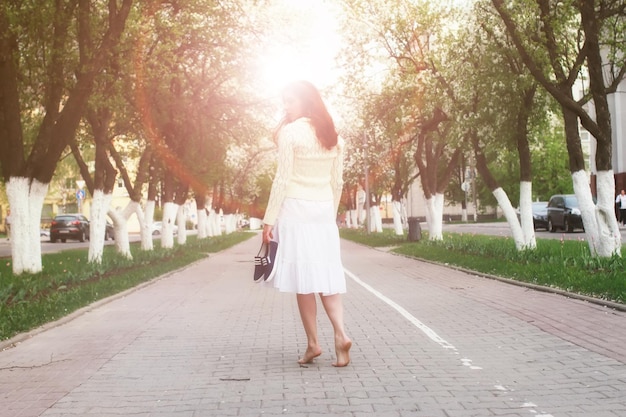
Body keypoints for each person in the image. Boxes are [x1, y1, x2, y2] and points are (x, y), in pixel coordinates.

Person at [262, 80, 352, 367]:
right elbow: (337, 182)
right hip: (323, 209)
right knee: (325, 273)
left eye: (290, 101)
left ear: (306, 102)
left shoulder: (291, 133)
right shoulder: (334, 137)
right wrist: (329, 215)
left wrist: (269, 218)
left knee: (304, 277)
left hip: (296, 209)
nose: (286, 107)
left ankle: (313, 343)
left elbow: (282, 179)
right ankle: (340, 334)